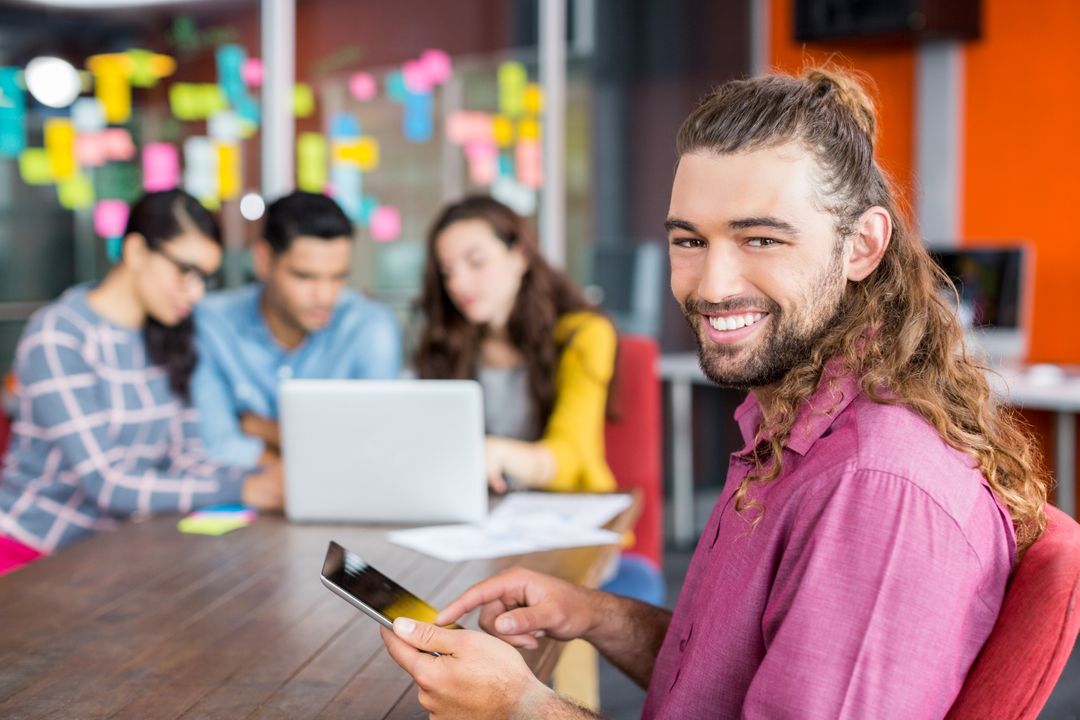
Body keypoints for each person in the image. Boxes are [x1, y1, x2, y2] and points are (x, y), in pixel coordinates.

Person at [378, 67, 1052, 719]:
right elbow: (725, 681)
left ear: (862, 246)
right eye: (689, 240)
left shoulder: (875, 488)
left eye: (760, 238)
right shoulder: (787, 422)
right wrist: (595, 613)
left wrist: (519, 707)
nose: (711, 284)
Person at [0, 190, 283, 573]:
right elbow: (109, 482)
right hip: (31, 552)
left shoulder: (169, 335)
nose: (196, 293)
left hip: (113, 554)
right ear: (135, 251)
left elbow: (187, 457)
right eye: (186, 271)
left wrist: (265, 477)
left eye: (205, 279)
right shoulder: (58, 335)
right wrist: (245, 489)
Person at [414, 196, 616, 495]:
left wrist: (498, 453)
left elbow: (568, 457)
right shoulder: (447, 339)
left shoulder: (585, 335)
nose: (458, 283)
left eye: (476, 262)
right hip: (479, 512)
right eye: (447, 272)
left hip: (570, 511)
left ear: (519, 256)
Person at [191, 190, 402, 467]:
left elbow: (377, 450)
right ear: (264, 260)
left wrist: (262, 429)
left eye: (338, 277)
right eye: (305, 277)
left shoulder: (370, 327)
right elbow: (216, 445)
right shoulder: (213, 323)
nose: (325, 296)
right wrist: (327, 448)